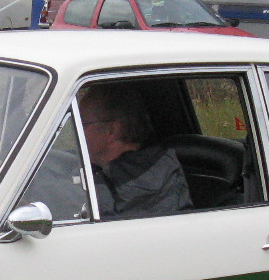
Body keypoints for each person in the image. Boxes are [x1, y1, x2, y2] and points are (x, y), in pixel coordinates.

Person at [78, 85, 192, 219]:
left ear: (111, 130)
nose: (76, 131)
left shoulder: (143, 182)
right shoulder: (109, 171)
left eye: (82, 124)